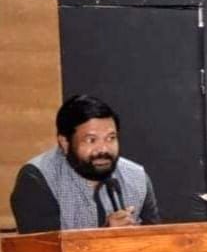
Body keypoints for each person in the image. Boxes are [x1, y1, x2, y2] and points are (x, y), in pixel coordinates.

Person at [11, 94, 160, 233]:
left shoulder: (136, 178)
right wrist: (105, 238)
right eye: (91, 140)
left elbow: (157, 244)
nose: (103, 149)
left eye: (111, 138)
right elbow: (43, 250)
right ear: (64, 143)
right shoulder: (38, 179)